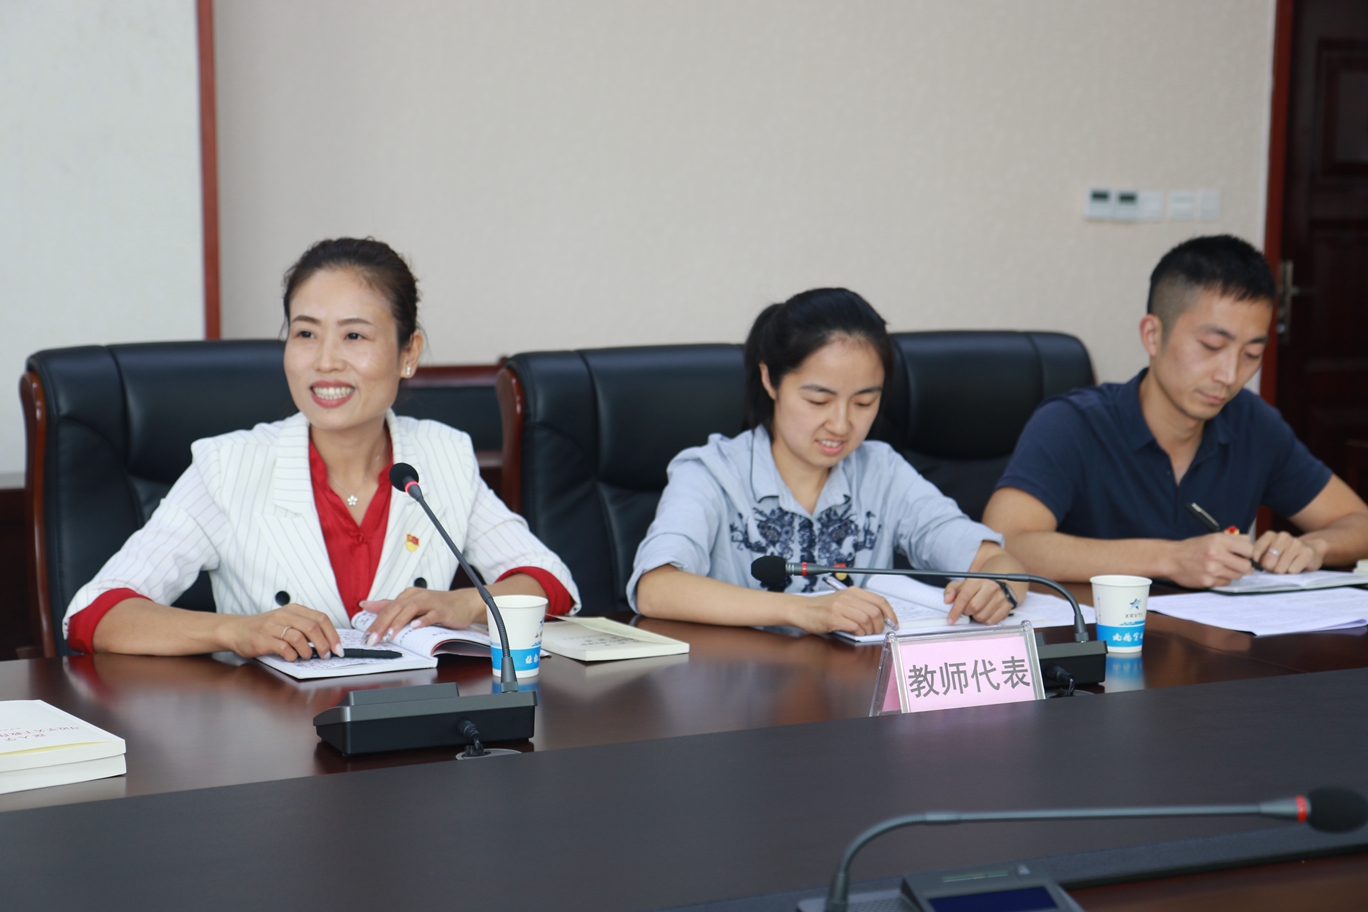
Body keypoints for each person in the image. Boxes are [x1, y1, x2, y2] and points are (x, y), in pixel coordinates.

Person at [63, 237, 579, 658]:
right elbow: (96, 613)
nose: (325, 361)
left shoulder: (442, 455)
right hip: (272, 736)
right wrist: (235, 631)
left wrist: (465, 604)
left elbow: (551, 583)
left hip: (416, 730)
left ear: (409, 353)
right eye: (306, 334)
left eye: (354, 336)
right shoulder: (228, 466)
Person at [629, 288, 1027, 636]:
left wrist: (998, 587)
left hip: (858, 687)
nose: (841, 424)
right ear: (770, 380)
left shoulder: (881, 471)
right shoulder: (711, 472)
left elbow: (994, 559)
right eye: (818, 401)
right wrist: (802, 610)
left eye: (864, 403)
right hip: (741, 688)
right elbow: (655, 587)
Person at [982, 235, 1368, 588]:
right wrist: (1171, 559)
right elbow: (1005, 544)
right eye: (1212, 346)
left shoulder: (1252, 423)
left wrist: (1315, 547)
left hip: (1214, 640)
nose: (1230, 375)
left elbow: (1358, 522)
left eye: (1251, 354)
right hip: (1096, 639)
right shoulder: (1072, 424)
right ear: (1153, 335)